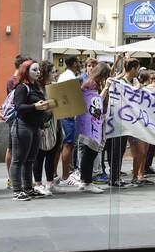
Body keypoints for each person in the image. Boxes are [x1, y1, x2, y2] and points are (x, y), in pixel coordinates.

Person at [10, 60, 57, 201]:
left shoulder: (36, 87)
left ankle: (28, 188)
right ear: (26, 71)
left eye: (38, 70)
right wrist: (35, 106)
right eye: (34, 70)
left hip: (35, 127)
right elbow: (19, 107)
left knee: (30, 160)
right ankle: (17, 190)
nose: (38, 72)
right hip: (23, 126)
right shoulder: (22, 88)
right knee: (18, 160)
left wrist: (42, 124)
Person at [78, 63, 112, 194]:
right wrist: (106, 88)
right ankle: (86, 181)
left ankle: (85, 180)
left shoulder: (90, 82)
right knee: (90, 152)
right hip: (91, 121)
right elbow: (96, 101)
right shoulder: (92, 84)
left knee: (89, 152)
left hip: (90, 120)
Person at [32, 61, 65, 196]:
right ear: (45, 73)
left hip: (55, 123)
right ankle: (38, 183)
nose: (55, 74)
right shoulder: (38, 89)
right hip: (43, 124)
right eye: (52, 72)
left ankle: (50, 183)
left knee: (53, 154)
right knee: (40, 155)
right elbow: (40, 107)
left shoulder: (54, 87)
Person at [107, 58, 140, 187]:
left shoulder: (132, 82)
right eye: (137, 68)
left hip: (126, 122)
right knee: (116, 151)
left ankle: (115, 177)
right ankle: (114, 178)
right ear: (132, 69)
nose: (137, 71)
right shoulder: (120, 82)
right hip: (117, 122)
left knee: (119, 151)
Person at [4, 55, 30, 189]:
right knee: (13, 148)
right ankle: (11, 178)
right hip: (15, 117)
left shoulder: (16, 80)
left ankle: (13, 177)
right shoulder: (14, 81)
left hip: (18, 117)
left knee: (15, 148)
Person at [57, 56, 81, 187]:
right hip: (68, 114)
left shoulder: (65, 75)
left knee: (64, 145)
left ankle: (60, 174)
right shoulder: (70, 77)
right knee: (68, 144)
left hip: (65, 113)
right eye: (78, 62)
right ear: (74, 63)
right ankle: (66, 175)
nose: (79, 64)